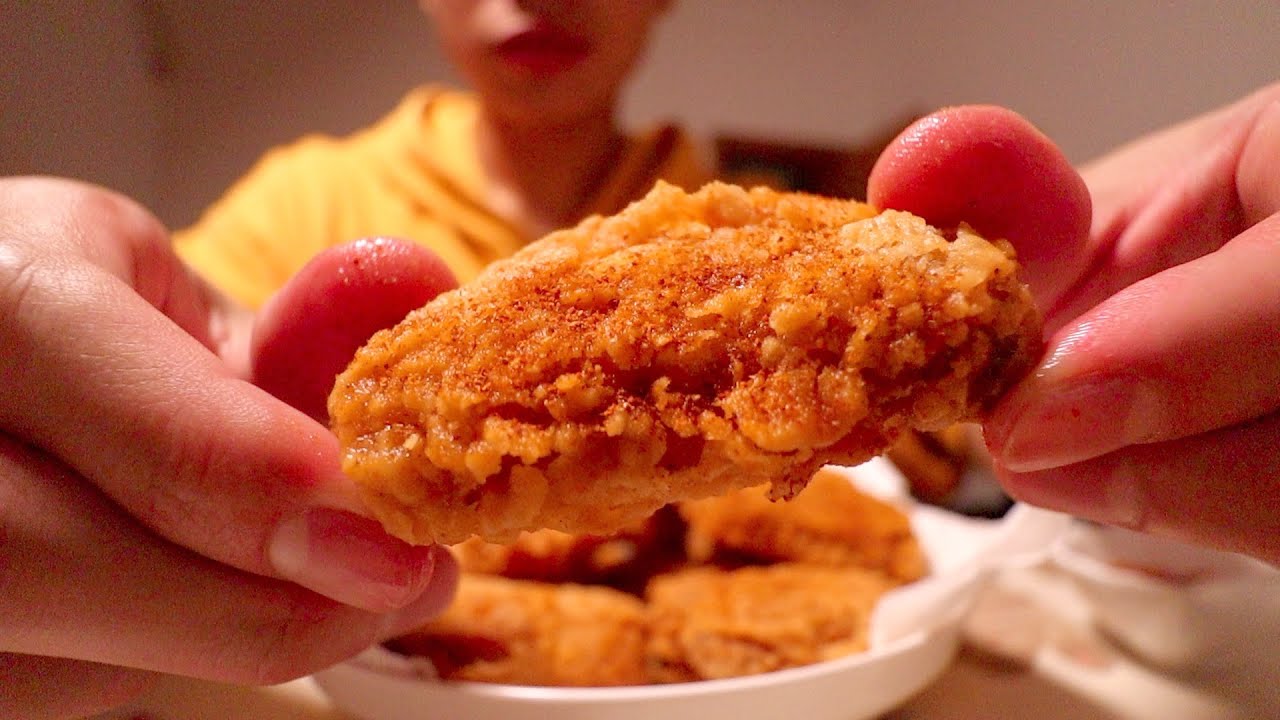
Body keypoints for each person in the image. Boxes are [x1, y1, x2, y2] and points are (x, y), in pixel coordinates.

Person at [2, 10, 1277, 719]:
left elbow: (994, 520)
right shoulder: (299, 210)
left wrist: (1147, 495)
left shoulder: (789, 205)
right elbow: (137, 388)